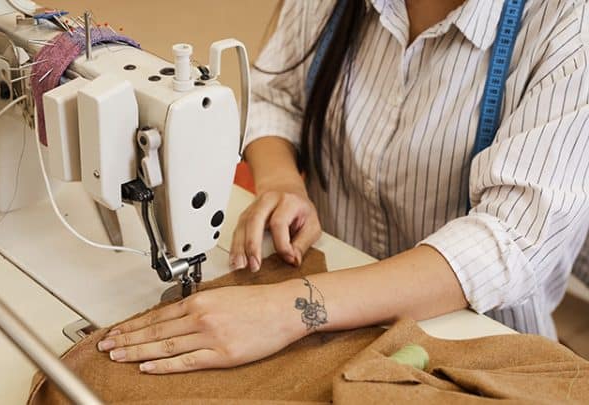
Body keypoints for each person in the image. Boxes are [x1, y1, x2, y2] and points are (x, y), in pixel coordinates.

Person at [97, 0, 589, 374]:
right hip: (333, 324)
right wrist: (281, 180)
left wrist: (288, 308)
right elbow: (274, 95)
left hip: (478, 346)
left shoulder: (568, 25)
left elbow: (509, 240)